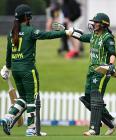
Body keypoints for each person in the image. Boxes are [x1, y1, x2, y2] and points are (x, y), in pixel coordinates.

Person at [0, 4, 71, 136]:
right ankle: (31, 128)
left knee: (23, 99)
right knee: (33, 99)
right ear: (27, 17)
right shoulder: (30, 30)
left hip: (16, 70)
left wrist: (7, 67)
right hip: (28, 70)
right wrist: (66, 32)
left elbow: (8, 53)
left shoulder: (11, 33)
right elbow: (46, 35)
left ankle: (8, 117)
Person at [68, 13, 116, 135]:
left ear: (103, 24)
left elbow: (112, 54)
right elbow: (81, 37)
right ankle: (112, 121)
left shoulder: (108, 38)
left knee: (96, 99)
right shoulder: (93, 36)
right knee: (87, 98)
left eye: (96, 22)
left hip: (102, 72)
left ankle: (94, 129)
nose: (94, 24)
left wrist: (111, 66)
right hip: (91, 71)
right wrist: (69, 31)